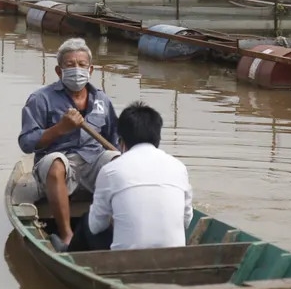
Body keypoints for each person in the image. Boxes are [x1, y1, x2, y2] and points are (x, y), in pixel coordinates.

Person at [18, 38, 120, 247]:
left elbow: (114, 139)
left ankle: (117, 229)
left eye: (82, 65)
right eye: (70, 65)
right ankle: (67, 235)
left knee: (117, 161)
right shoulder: (41, 99)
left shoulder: (101, 100)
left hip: (92, 163)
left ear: (90, 70)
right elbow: (27, 143)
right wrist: (59, 129)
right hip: (58, 165)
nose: (77, 70)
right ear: (59, 70)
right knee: (55, 163)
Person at [66, 101, 192, 252]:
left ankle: (68, 253)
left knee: (88, 220)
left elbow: (95, 226)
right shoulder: (179, 167)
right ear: (157, 138)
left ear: (121, 142)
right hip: (176, 256)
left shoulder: (110, 170)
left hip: (126, 260)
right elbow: (186, 222)